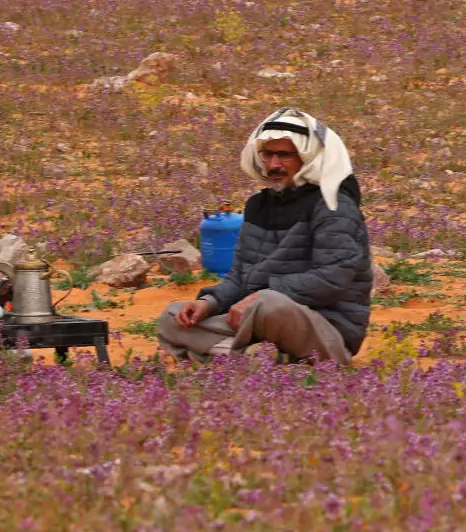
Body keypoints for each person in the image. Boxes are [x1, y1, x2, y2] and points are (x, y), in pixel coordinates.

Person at [158, 108, 371, 364]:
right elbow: (240, 276)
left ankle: (232, 356)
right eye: (267, 154)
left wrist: (260, 297)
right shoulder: (258, 205)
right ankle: (262, 360)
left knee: (270, 304)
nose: (273, 165)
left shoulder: (335, 206)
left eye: (284, 155)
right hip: (256, 318)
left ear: (308, 157)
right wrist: (210, 302)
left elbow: (333, 278)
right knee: (173, 316)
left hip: (325, 327)